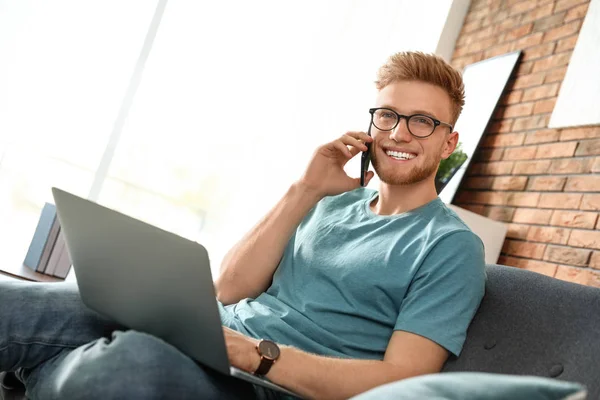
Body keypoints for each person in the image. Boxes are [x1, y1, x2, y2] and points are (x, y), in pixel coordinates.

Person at [0, 51, 485, 400]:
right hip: (215, 335)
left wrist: (258, 355)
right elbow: (228, 289)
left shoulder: (449, 246)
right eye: (388, 116)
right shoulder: (330, 201)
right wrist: (304, 189)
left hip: (267, 381)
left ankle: (29, 374)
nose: (399, 133)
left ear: (448, 143)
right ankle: (37, 373)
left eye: (422, 122)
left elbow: (403, 381)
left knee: (127, 363)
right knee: (25, 301)